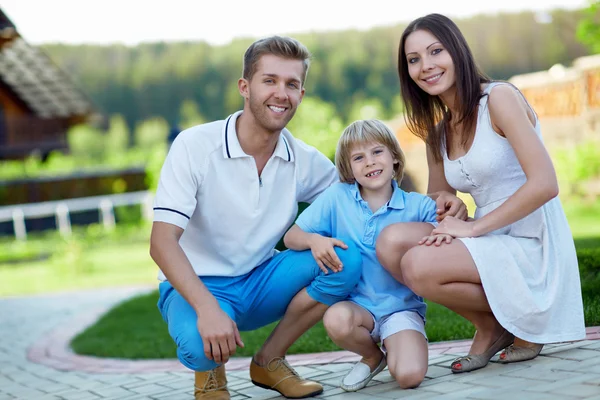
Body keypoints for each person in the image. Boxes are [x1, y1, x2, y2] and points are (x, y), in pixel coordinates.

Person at [149, 36, 363, 400]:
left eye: (291, 84)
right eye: (270, 80)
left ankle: (269, 359)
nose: (281, 93)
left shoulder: (303, 158)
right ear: (245, 88)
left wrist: (428, 208)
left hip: (262, 281)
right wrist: (207, 310)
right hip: (199, 285)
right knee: (199, 350)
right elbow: (161, 243)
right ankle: (210, 375)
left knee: (345, 260)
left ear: (301, 94)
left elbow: (356, 199)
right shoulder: (195, 146)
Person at [377, 13, 586, 374]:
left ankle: (525, 323)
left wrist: (473, 228)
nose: (426, 66)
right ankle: (494, 326)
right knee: (391, 243)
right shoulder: (437, 133)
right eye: (414, 60)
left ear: (456, 50)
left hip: (532, 239)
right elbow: (438, 200)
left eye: (435, 51)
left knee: (417, 263)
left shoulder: (498, 99)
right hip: (491, 237)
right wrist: (449, 204)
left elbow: (545, 184)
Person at [284, 120, 446, 391]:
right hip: (358, 310)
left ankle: (402, 343)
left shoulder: (418, 206)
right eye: (358, 157)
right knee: (335, 318)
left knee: (409, 376)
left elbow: (446, 236)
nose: (369, 162)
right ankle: (372, 357)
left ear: (395, 157)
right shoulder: (337, 197)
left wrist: (457, 214)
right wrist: (314, 240)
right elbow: (292, 236)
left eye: (377, 152)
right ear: (349, 168)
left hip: (400, 309)